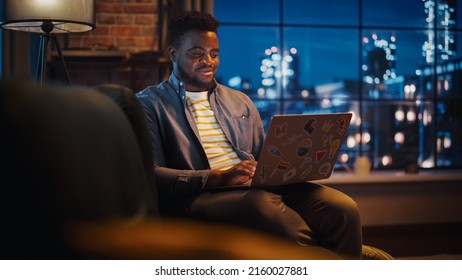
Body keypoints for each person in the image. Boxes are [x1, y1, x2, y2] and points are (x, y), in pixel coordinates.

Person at [136, 10, 363, 259]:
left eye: (214, 53)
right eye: (197, 53)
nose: (208, 61)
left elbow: (262, 155)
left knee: (342, 208)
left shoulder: (240, 101)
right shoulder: (149, 104)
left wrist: (282, 166)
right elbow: (151, 173)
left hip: (250, 187)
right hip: (198, 196)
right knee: (262, 205)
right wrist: (217, 178)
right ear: (173, 54)